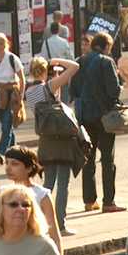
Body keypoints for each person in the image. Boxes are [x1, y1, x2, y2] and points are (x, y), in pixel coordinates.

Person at [69, 31, 126, 214]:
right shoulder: (106, 62)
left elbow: (74, 90)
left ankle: (89, 200)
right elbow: (113, 91)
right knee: (108, 159)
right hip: (104, 116)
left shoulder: (80, 61)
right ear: (107, 46)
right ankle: (108, 202)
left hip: (85, 116)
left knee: (89, 158)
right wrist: (121, 85)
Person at [27, 55, 81, 236]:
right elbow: (74, 67)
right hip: (62, 140)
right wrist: (57, 61)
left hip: (45, 140)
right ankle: (60, 225)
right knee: (63, 184)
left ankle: (41, 223)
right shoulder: (49, 87)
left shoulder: (29, 93)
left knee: (48, 184)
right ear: (45, 70)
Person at [4, 146, 62, 253]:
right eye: (6, 163)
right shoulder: (3, 192)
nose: (8, 168)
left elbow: (53, 232)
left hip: (35, 251)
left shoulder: (42, 194)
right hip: (10, 250)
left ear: (29, 168)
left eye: (14, 164)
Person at [0, 33, 26, 165]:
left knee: (7, 123)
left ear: (3, 44)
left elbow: (22, 79)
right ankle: (14, 151)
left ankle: (1, 152)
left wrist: (21, 97)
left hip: (11, 94)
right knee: (5, 124)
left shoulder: (13, 58)